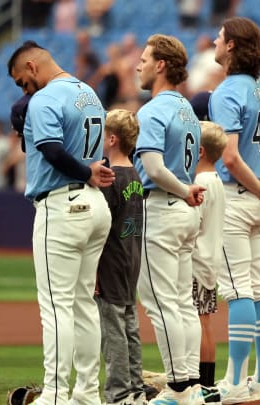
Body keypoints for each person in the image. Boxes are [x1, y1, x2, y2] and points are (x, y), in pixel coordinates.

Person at [7, 40, 115, 405]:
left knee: (56, 307)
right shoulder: (89, 93)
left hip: (63, 204)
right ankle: (87, 395)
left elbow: (52, 150)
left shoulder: (45, 98)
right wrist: (88, 173)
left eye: (23, 81)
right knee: (84, 304)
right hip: (96, 206)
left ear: (33, 67)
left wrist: (84, 173)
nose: (25, 90)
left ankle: (54, 395)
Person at [209, 17, 260, 403]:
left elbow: (232, 157)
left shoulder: (225, 92)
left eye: (220, 38)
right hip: (258, 199)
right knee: (258, 287)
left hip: (239, 196)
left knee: (238, 291)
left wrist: (258, 187)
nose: (215, 42)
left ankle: (236, 383)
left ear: (233, 46)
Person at [132, 34, 208, 405]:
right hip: (184, 210)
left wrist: (181, 190)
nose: (138, 64)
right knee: (181, 302)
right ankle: (190, 382)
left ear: (161, 64)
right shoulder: (187, 109)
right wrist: (185, 191)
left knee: (162, 304)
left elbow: (154, 168)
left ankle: (177, 389)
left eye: (145, 59)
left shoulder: (152, 110)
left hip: (163, 206)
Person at [94, 108, 152, 405]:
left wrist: (92, 272)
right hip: (131, 260)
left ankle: (118, 395)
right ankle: (136, 389)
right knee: (130, 327)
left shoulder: (110, 178)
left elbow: (101, 229)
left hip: (111, 263)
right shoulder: (135, 176)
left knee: (114, 332)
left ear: (113, 138)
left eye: (105, 133)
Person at [190, 120, 227, 388]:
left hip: (197, 261)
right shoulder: (217, 179)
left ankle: (201, 385)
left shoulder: (201, 181)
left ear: (200, 150)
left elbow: (192, 224)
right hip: (210, 258)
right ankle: (208, 384)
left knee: (198, 325)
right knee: (205, 324)